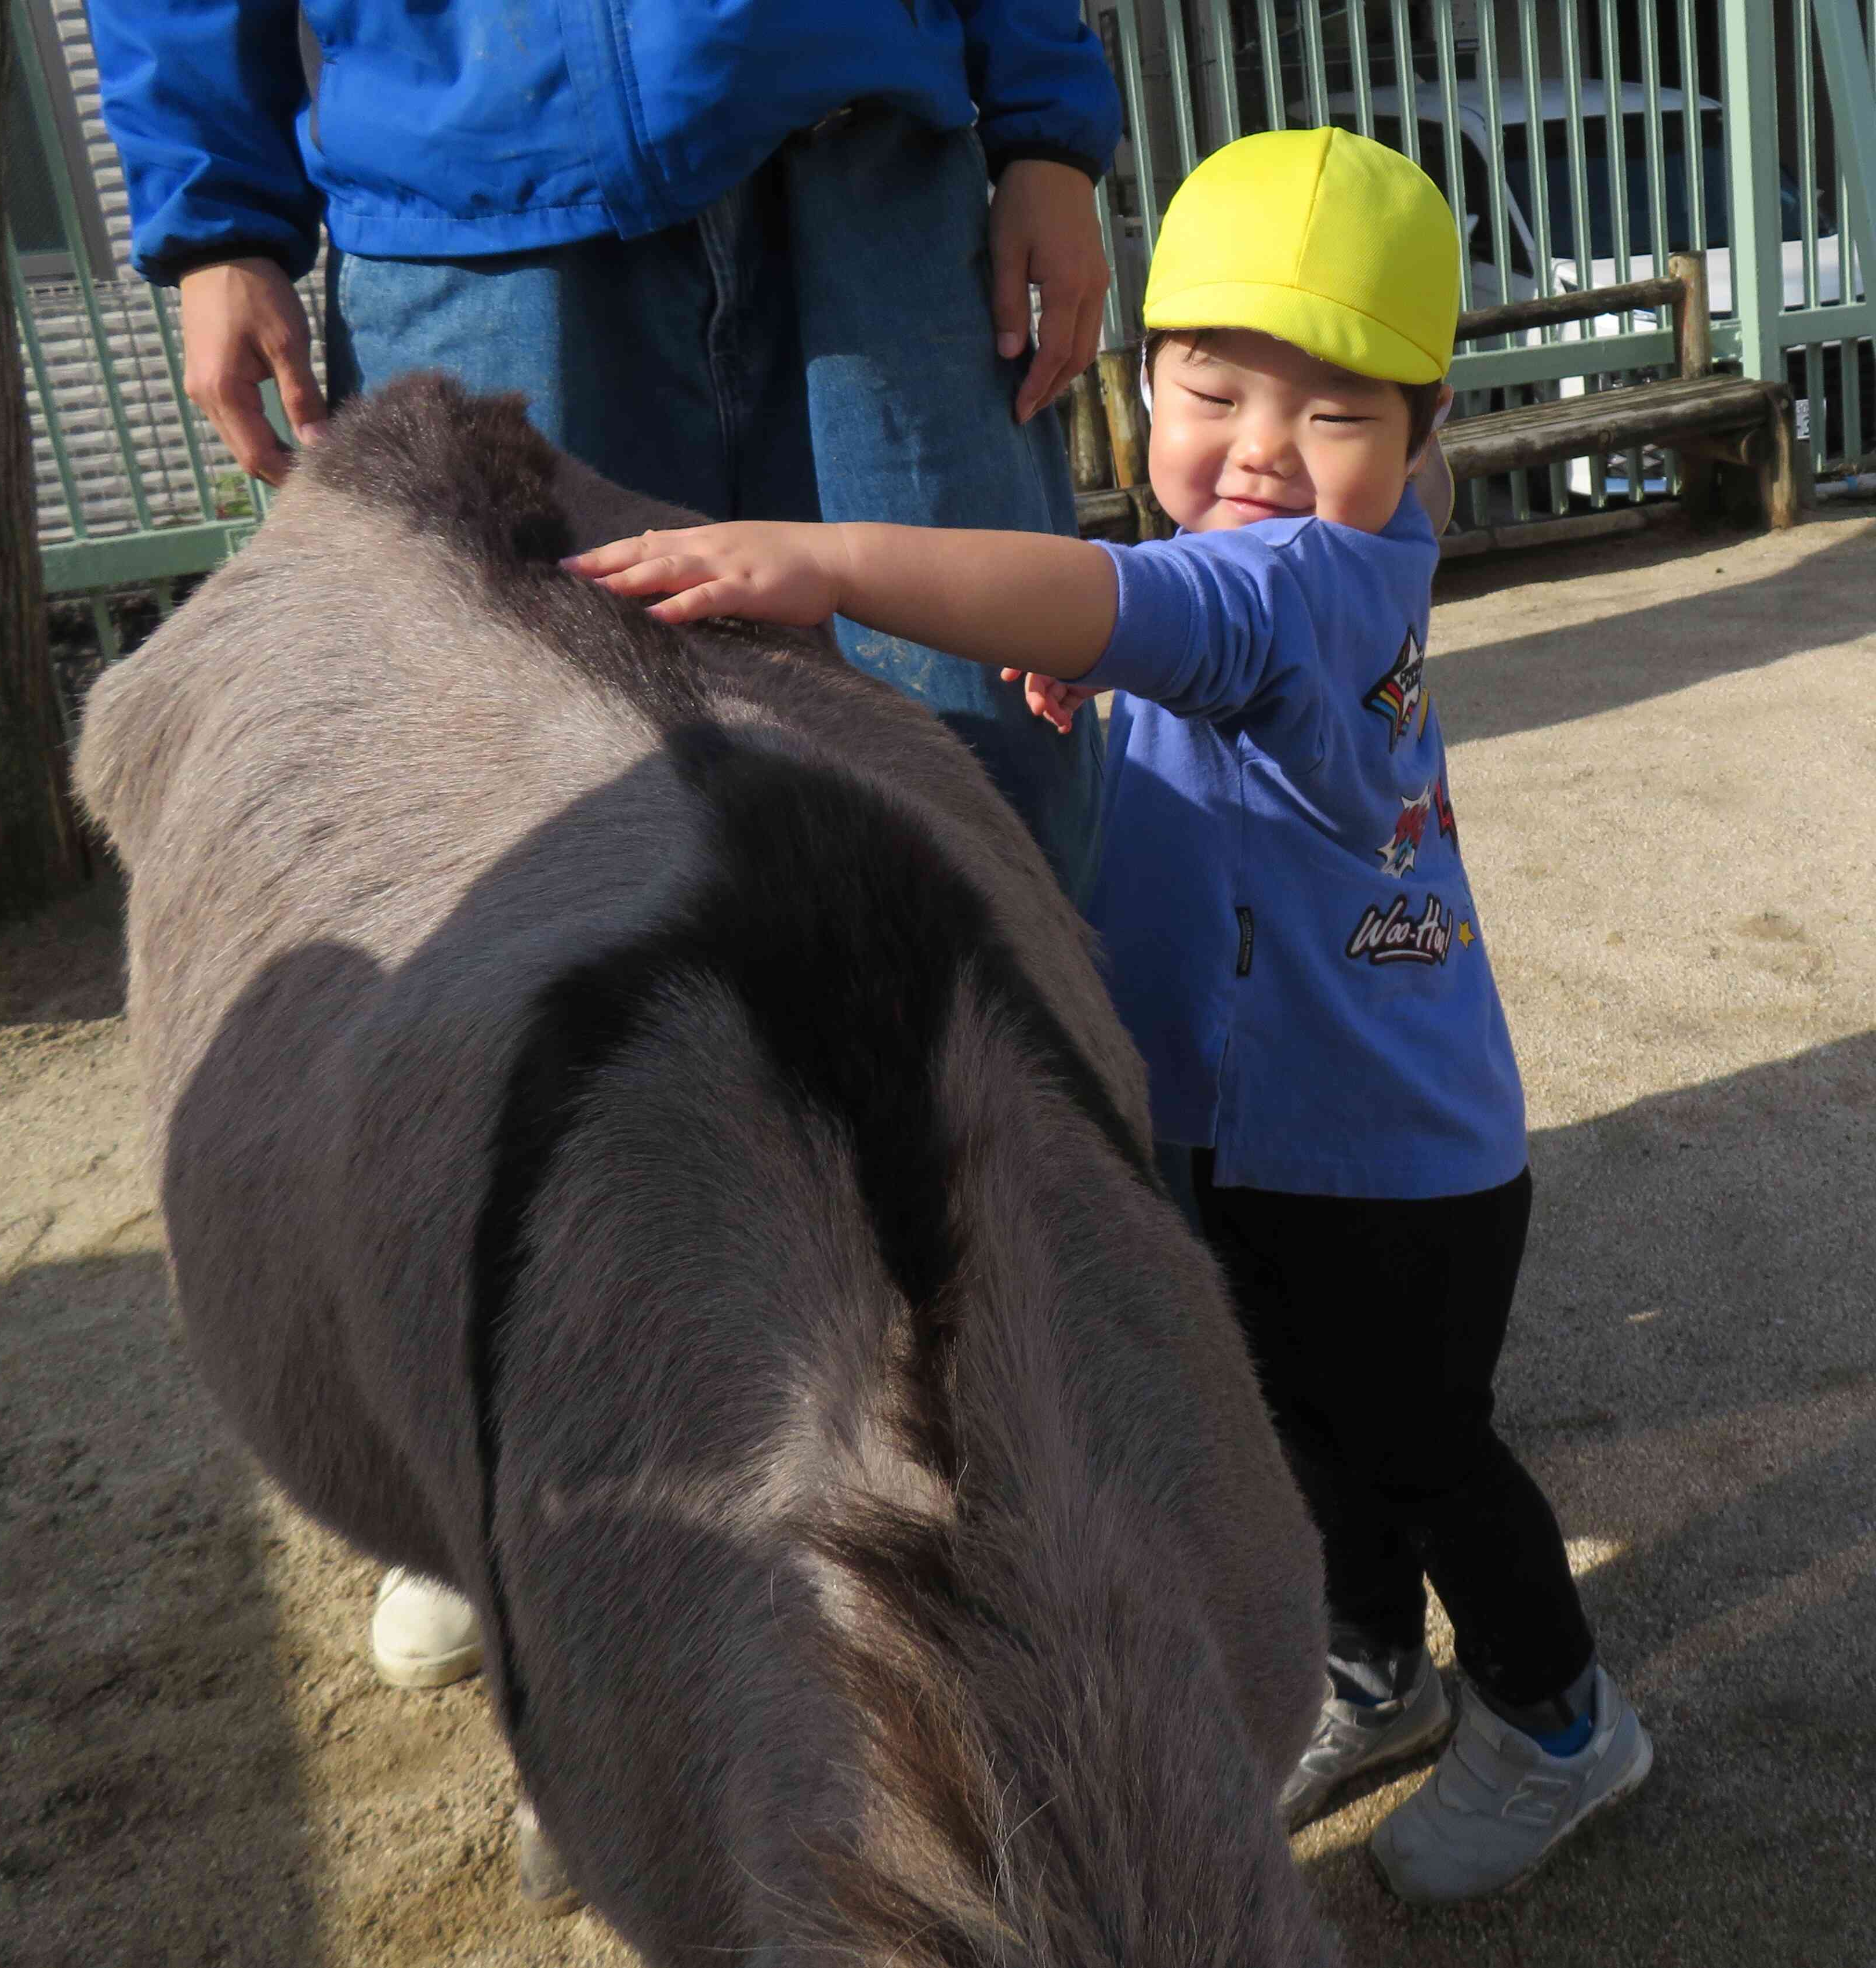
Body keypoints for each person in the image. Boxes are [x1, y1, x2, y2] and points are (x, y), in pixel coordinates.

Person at [568, 125, 1653, 1905]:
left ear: (1423, 435)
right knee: (1292, 1428)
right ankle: (1371, 1662)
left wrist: (828, 560)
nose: (1262, 452)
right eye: (1214, 391)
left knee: (1420, 1450)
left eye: (1333, 413)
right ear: (1142, 384)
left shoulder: (1314, 580)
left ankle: (1559, 1718)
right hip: (1257, 1127)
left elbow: (1142, 595)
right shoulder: (1270, 577)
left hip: (1388, 1161)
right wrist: (1101, 673)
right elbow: (1150, 634)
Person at [82, 0, 1120, 1777]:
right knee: (527, 877)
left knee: (980, 802)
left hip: (866, 145)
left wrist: (1042, 122)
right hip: (468, 172)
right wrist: (217, 213)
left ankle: (1056, 1402)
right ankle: (553, 1480)